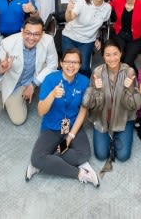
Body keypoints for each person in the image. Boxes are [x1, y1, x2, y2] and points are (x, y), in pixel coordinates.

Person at [26, 47, 98, 186]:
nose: (71, 66)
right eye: (68, 62)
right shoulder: (50, 79)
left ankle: (46, 163)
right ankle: (81, 173)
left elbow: (83, 111)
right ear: (61, 63)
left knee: (84, 154)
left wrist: (70, 136)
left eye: (75, 62)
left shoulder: (84, 81)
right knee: (37, 159)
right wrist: (52, 95)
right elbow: (41, 111)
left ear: (80, 65)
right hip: (51, 127)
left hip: (72, 125)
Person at [83, 41, 141, 165]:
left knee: (123, 156)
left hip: (123, 118)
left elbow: (134, 105)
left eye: (115, 54)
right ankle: (110, 135)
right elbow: (90, 105)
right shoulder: (97, 72)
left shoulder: (129, 72)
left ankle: (117, 134)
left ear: (121, 53)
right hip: (102, 118)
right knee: (101, 155)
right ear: (103, 56)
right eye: (108, 55)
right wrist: (94, 90)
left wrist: (128, 89)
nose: (112, 58)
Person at [0, 16, 58, 125]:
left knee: (57, 91)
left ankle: (33, 90)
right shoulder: (7, 43)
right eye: (28, 33)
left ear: (42, 33)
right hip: (15, 83)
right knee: (18, 120)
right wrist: (1, 71)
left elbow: (53, 64)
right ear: (22, 31)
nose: (31, 38)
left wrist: (33, 84)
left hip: (36, 77)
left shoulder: (48, 40)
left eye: (36, 34)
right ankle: (20, 95)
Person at [62, 0, 112, 76]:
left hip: (87, 41)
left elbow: (99, 25)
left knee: (84, 68)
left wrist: (97, 38)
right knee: (69, 65)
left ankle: (84, 87)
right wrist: (68, 11)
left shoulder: (107, 8)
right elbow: (69, 19)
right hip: (70, 37)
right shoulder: (82, 3)